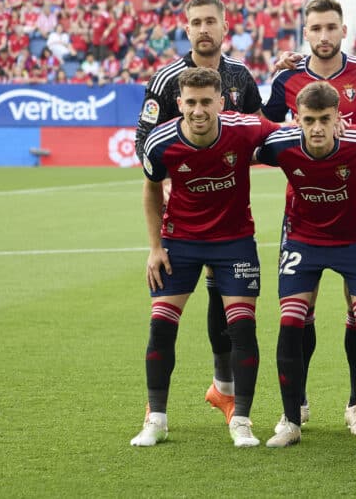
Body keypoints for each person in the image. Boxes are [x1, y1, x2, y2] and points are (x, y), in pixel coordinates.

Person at [262, 0, 356, 437]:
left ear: (344, 30)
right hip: (303, 216)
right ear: (305, 33)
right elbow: (257, 129)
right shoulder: (287, 78)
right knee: (298, 313)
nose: (324, 36)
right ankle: (296, 405)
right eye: (316, 28)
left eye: (331, 27)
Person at [131, 68, 279, 448]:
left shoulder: (245, 128)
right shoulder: (160, 141)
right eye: (191, 103)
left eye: (206, 102)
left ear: (221, 103)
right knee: (161, 326)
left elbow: (286, 133)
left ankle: (241, 420)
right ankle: (156, 419)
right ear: (179, 103)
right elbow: (151, 190)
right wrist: (155, 247)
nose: (198, 110)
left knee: (242, 329)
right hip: (180, 242)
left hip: (234, 241)